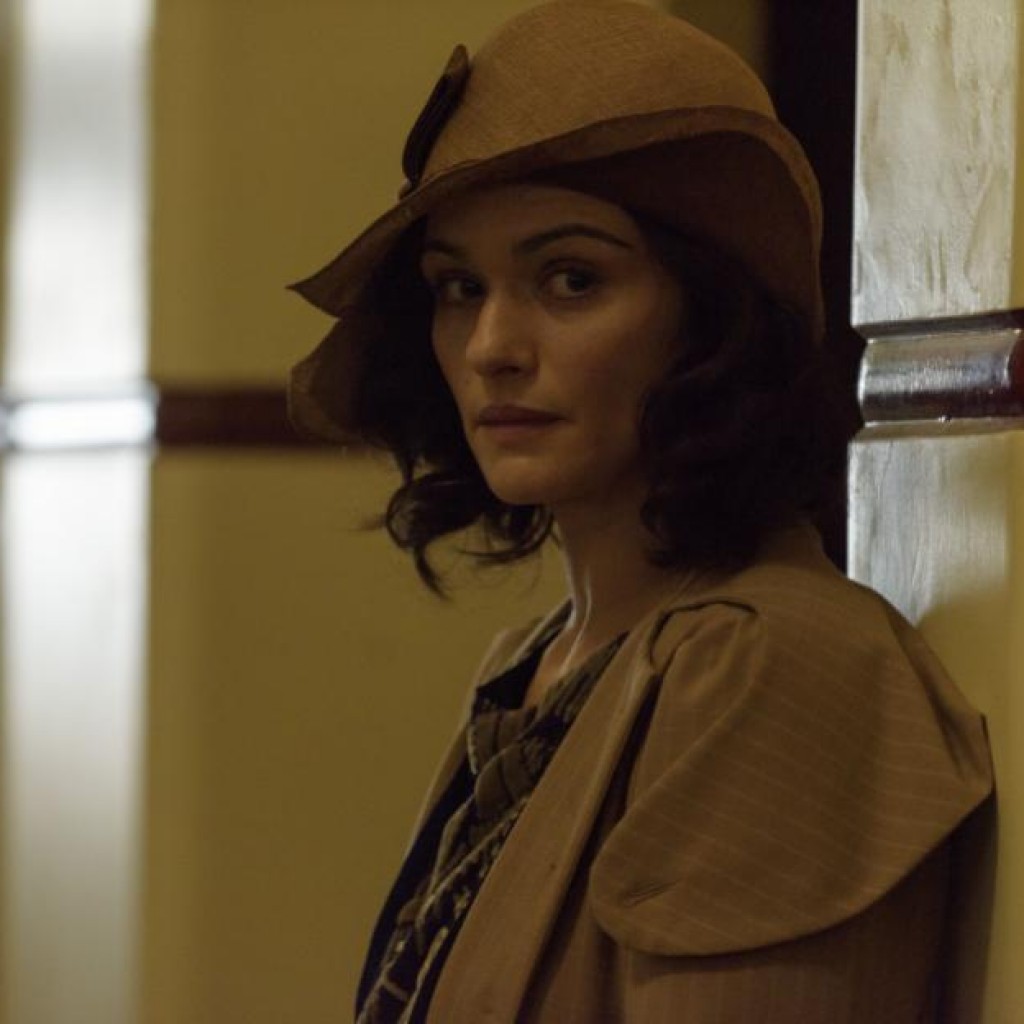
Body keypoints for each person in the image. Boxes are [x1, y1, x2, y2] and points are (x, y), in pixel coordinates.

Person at [288, 2, 993, 1020]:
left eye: (570, 279)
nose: (491, 346)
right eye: (459, 287)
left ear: (711, 316)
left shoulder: (770, 665)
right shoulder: (534, 662)